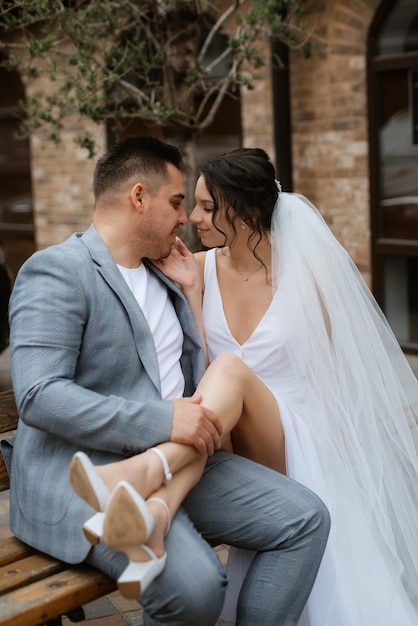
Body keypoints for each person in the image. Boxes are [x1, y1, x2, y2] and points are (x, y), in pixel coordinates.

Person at [1, 136, 330, 626]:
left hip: (179, 461)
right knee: (197, 588)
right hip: (87, 474)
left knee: (305, 518)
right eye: (178, 202)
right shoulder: (57, 271)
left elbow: (198, 383)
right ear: (138, 197)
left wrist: (192, 292)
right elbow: (37, 395)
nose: (185, 218)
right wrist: (163, 417)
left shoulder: (167, 275)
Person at [156, 147, 418, 626]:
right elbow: (203, 368)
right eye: (193, 204)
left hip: (299, 438)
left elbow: (342, 382)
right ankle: (155, 491)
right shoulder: (198, 268)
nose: (194, 218)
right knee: (228, 372)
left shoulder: (309, 278)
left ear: (248, 211)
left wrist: (345, 469)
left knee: (233, 370)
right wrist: (193, 294)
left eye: (208, 207)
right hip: (229, 437)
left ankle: (153, 483)